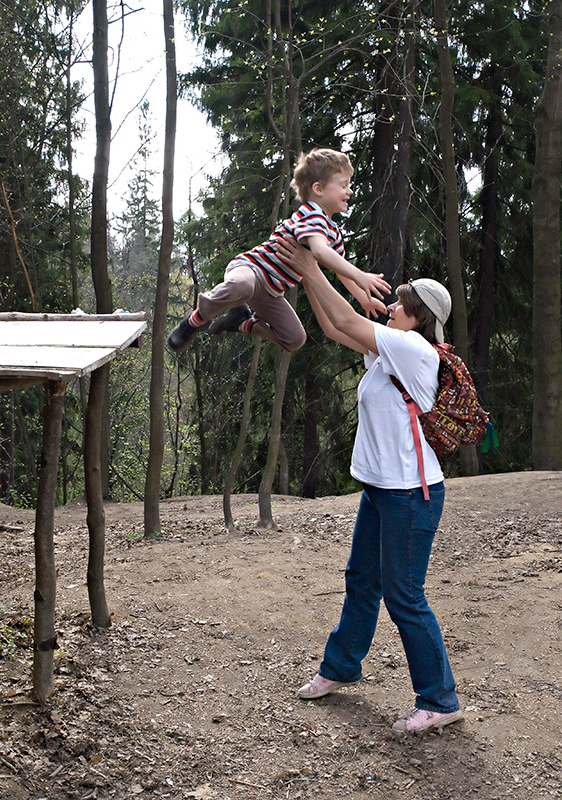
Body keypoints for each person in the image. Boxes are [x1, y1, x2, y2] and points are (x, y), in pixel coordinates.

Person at [275, 236, 462, 737]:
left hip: (412, 494)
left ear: (419, 317)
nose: (392, 307)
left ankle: (440, 699)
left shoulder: (414, 349)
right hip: (383, 489)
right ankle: (341, 667)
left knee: (405, 597)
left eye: (401, 304)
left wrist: (309, 265)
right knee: (362, 580)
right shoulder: (388, 354)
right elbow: (336, 326)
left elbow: (349, 319)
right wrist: (310, 274)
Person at [167, 148, 390, 352]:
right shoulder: (312, 213)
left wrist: (364, 299)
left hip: (271, 291)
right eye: (343, 185)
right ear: (318, 189)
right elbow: (320, 252)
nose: (349, 191)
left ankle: (242, 322)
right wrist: (360, 275)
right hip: (251, 269)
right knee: (242, 286)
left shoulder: (333, 232)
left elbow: (340, 270)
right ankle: (195, 321)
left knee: (294, 338)